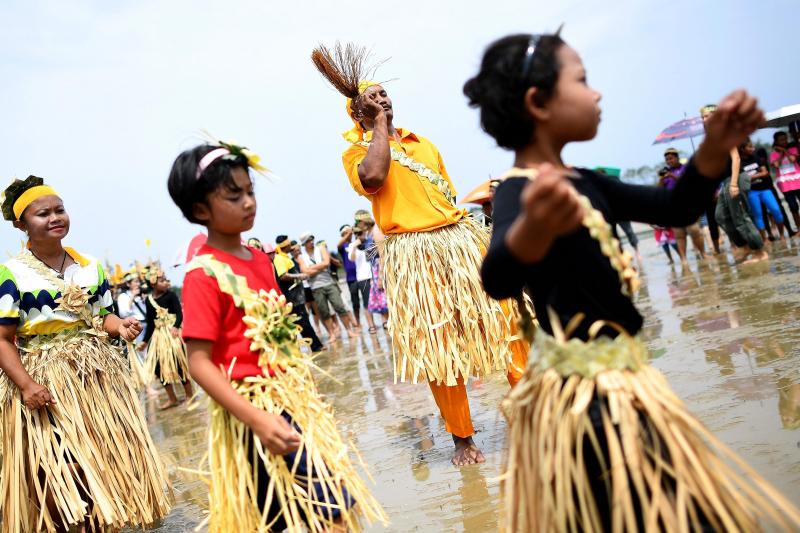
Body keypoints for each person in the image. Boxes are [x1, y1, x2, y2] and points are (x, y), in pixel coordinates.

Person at [465, 32, 800, 531]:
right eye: (581, 80)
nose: (596, 93)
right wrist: (534, 229)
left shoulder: (588, 181)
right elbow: (497, 278)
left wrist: (714, 147)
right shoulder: (519, 191)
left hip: (629, 382)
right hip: (585, 403)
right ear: (538, 103)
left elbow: (677, 207)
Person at [312, 43, 529, 466]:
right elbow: (374, 178)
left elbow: (447, 193)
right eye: (372, 98)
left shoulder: (423, 143)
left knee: (508, 322)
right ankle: (463, 437)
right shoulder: (356, 152)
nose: (382, 99)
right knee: (439, 344)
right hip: (414, 255)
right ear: (357, 113)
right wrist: (375, 128)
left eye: (384, 94)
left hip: (458, 242)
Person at [166, 140, 386, 532]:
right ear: (200, 210)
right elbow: (198, 362)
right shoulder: (203, 274)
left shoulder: (260, 261)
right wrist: (257, 419)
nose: (249, 202)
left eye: (250, 191)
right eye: (234, 196)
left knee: (324, 509)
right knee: (320, 511)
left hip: (288, 400)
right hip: (251, 413)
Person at [0, 176, 171, 531]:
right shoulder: (12, 272)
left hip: (94, 377)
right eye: (42, 213)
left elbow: (101, 315)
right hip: (45, 378)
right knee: (60, 466)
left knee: (106, 461)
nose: (54, 217)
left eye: (59, 210)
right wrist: (27, 385)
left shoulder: (90, 265)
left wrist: (119, 325)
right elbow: (2, 338)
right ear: (22, 225)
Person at [707, 105, 768, 262]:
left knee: (740, 217)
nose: (705, 119)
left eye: (708, 116)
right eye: (703, 117)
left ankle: (760, 251)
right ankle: (744, 245)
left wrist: (734, 184)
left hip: (737, 178)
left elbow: (736, 158)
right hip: (725, 181)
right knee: (720, 216)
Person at [142, 266, 194, 409]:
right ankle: (172, 398)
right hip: (159, 337)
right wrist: (145, 342)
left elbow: (179, 313)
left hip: (173, 335)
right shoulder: (149, 301)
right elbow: (150, 323)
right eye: (162, 280)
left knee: (179, 363)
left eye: (166, 280)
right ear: (153, 284)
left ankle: (190, 395)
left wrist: (176, 326)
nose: (166, 282)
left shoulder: (170, 295)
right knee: (158, 367)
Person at [296, 232, 359, 342]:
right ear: (304, 243)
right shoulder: (301, 256)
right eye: (309, 240)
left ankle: (349, 330)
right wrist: (317, 268)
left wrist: (312, 268)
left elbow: (326, 263)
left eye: (312, 239)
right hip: (315, 287)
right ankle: (331, 334)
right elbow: (304, 271)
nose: (311, 242)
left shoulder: (320, 249)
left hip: (329, 283)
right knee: (324, 312)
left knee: (340, 307)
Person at [273, 234, 324, 352]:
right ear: (285, 246)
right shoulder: (279, 258)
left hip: (297, 297)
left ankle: (310, 347)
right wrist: (300, 275)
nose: (291, 246)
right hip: (292, 298)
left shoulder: (285, 257)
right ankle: (315, 346)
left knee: (302, 322)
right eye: (289, 244)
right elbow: (283, 276)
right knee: (303, 323)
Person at [663, 147, 711, 265]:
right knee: (679, 235)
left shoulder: (685, 168)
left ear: (677, 157)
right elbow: (660, 189)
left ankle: (703, 253)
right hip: (673, 206)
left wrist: (673, 176)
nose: (669, 161)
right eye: (667, 160)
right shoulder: (666, 173)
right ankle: (683, 259)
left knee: (694, 230)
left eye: (671, 158)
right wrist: (662, 178)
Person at [740, 138, 786, 243]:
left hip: (765, 189)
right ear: (742, 149)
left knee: (776, 210)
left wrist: (751, 176)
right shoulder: (739, 163)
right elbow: (743, 179)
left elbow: (765, 173)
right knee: (758, 215)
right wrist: (757, 174)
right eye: (750, 147)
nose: (753, 148)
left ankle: (782, 235)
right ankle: (764, 239)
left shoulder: (755, 157)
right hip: (752, 192)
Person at [354, 210, 389, 327]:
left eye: (357, 222)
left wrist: (380, 277)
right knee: (381, 300)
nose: (357, 225)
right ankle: (386, 323)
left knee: (387, 298)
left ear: (363, 221)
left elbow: (383, 254)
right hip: (374, 269)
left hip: (381, 269)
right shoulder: (368, 234)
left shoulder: (376, 231)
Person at [347, 226, 378, 333]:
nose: (359, 235)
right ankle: (371, 325)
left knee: (381, 299)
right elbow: (351, 258)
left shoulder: (370, 242)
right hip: (363, 277)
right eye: (357, 233)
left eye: (361, 233)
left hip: (375, 275)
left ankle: (385, 322)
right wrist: (355, 247)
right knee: (367, 302)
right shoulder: (352, 245)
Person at [771, 130, 800, 231]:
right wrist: (781, 153)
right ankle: (799, 227)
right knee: (793, 207)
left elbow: (792, 159)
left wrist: (785, 151)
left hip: (798, 180)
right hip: (785, 184)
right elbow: (776, 165)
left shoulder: (793, 149)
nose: (784, 141)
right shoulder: (773, 154)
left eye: (785, 139)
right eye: (781, 140)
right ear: (776, 141)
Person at [337, 224, 365, 328]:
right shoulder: (342, 246)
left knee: (366, 299)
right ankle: (357, 322)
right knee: (355, 301)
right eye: (347, 232)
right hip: (351, 278)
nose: (350, 234)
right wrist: (349, 231)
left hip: (362, 275)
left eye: (350, 232)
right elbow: (338, 245)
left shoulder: (356, 243)